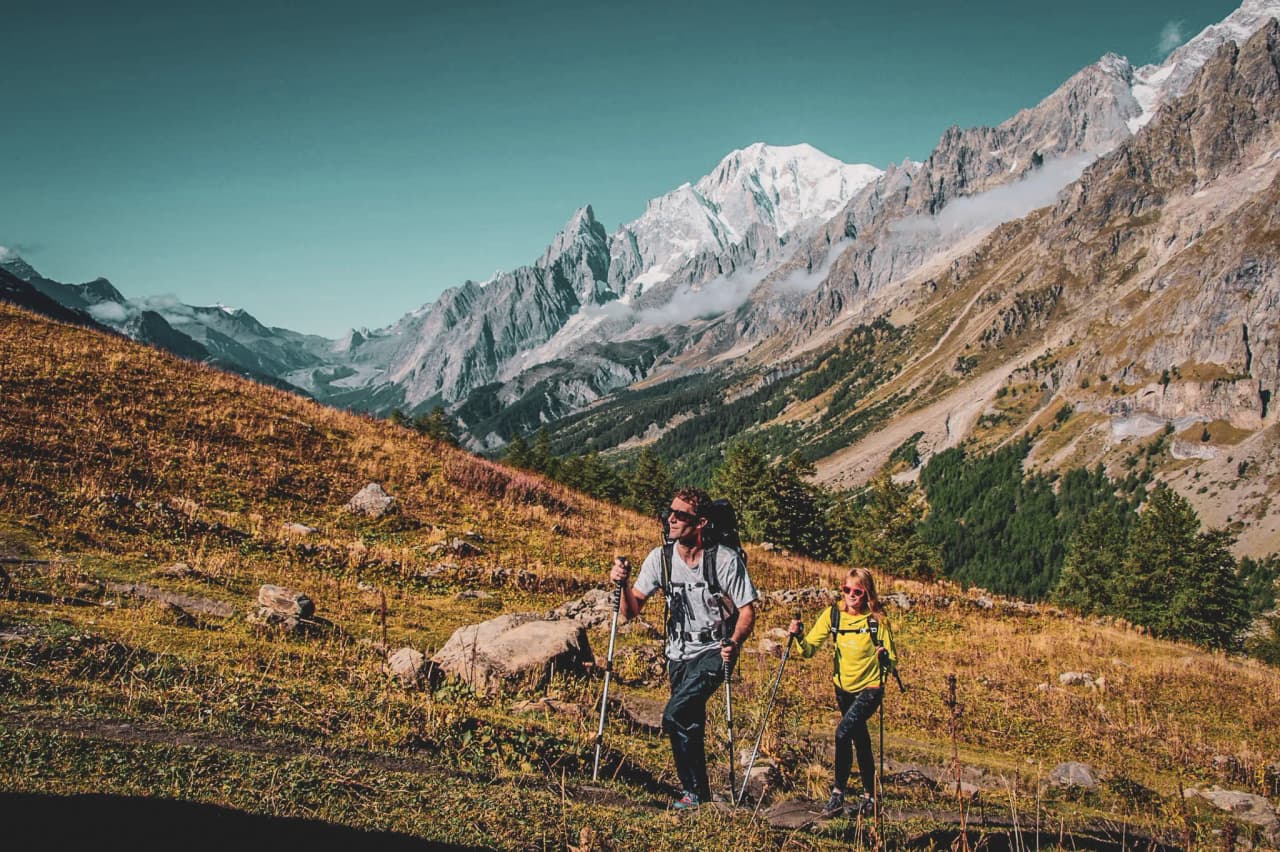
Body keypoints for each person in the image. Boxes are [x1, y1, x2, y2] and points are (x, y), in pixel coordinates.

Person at [609, 486, 758, 809]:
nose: (671, 520)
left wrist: (734, 642)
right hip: (677, 654)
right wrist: (622, 584)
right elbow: (631, 610)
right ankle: (697, 793)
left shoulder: (724, 560)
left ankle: (693, 792)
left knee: (675, 714)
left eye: (680, 515)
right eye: (670, 513)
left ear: (701, 522)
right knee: (689, 721)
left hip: (715, 651)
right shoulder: (659, 558)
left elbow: (748, 610)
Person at [788, 567, 898, 819]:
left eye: (857, 591)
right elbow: (808, 650)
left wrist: (884, 658)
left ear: (867, 593)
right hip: (843, 689)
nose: (850, 595)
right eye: (846, 590)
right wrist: (798, 636)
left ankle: (837, 795)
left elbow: (892, 660)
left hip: (870, 688)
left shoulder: (877, 620)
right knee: (859, 738)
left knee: (842, 732)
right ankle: (870, 797)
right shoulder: (833, 616)